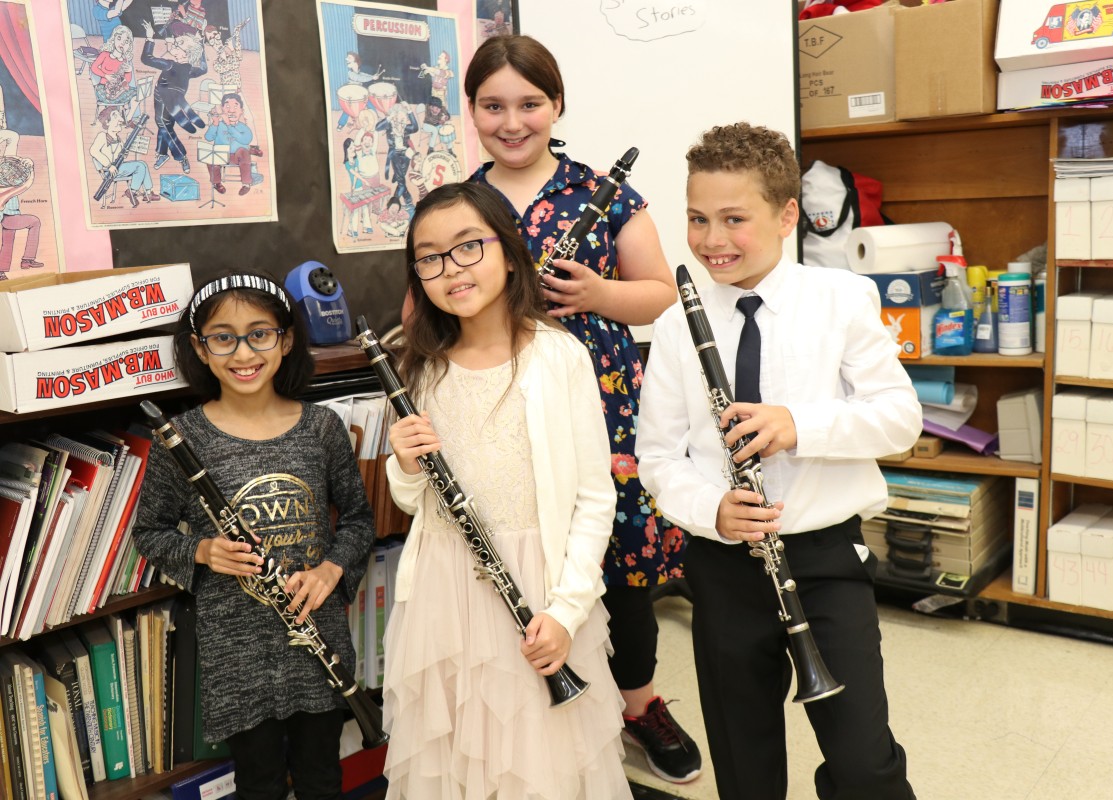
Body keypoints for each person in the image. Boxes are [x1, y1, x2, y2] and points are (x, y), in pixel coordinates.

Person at [636, 122, 922, 800]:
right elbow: (658, 455)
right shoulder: (680, 322)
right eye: (698, 219)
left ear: (787, 214)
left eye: (735, 219)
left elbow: (899, 419)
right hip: (724, 565)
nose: (712, 240)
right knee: (745, 760)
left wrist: (800, 425)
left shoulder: (842, 300)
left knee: (862, 762)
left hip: (825, 561)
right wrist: (711, 509)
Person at [463, 34, 699, 784]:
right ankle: (532, 707)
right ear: (471, 111)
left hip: (601, 401)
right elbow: (427, 300)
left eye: (530, 103)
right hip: (501, 403)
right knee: (525, 551)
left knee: (620, 559)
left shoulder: (604, 192)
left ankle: (638, 703)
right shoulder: (463, 202)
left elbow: (660, 292)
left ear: (556, 104)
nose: (513, 120)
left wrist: (598, 295)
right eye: (493, 105)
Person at [381, 182, 629, 800]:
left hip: (539, 590)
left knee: (540, 764)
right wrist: (405, 466)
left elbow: (595, 499)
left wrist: (568, 611)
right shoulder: (422, 365)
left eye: (468, 247)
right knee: (455, 757)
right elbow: (417, 504)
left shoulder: (558, 355)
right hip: (444, 589)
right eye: (430, 257)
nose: (450, 269)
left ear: (510, 250)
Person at [133, 272, 375, 800]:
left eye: (260, 333)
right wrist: (201, 549)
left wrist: (331, 569)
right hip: (237, 653)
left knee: (321, 780)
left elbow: (358, 519)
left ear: (286, 340)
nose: (243, 351)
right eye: (223, 337)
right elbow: (148, 533)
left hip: (318, 640)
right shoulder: (183, 438)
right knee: (259, 785)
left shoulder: (321, 429)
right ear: (200, 347)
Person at [140, 21, 207, 172]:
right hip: (163, 97)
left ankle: (180, 155)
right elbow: (204, 68)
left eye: (177, 46)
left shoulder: (171, 65)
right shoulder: (190, 69)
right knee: (165, 124)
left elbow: (147, 58)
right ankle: (162, 153)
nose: (172, 46)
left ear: (187, 54)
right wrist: (200, 44)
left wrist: (149, 38)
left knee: (164, 124)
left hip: (168, 98)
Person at [90, 105, 160, 208]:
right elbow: (93, 151)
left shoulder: (118, 138)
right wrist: (109, 165)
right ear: (107, 122)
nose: (121, 120)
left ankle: (147, 192)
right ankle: (132, 191)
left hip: (117, 168)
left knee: (143, 164)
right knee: (139, 166)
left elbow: (120, 155)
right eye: (116, 117)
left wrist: (124, 154)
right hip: (109, 171)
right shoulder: (102, 136)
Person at [203, 93, 254, 195]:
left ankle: (246, 184)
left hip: (238, 157)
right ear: (222, 110)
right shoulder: (219, 125)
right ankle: (217, 183)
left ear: (241, 111)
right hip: (221, 155)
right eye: (227, 107)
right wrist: (215, 123)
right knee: (211, 156)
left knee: (244, 152)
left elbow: (245, 140)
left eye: (235, 107)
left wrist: (229, 125)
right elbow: (208, 138)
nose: (231, 110)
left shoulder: (243, 127)